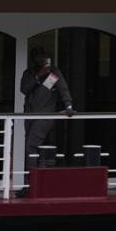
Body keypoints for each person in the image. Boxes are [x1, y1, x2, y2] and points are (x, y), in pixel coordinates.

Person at [20, 47, 74, 184]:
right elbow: (24, 89)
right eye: (37, 56)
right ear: (33, 59)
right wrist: (38, 75)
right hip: (29, 115)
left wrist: (68, 106)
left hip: (44, 116)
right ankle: (33, 181)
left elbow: (63, 89)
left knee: (30, 147)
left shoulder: (53, 72)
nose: (41, 59)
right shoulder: (29, 72)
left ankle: (30, 183)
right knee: (31, 147)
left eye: (43, 56)